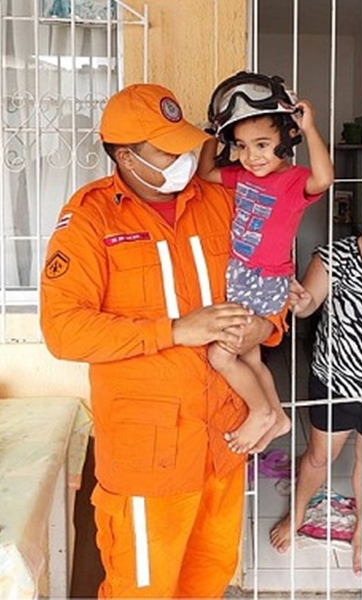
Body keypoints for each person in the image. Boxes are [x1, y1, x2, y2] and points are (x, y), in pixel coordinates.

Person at [40, 84, 287, 598]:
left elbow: (268, 280)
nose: (183, 158)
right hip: (147, 461)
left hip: (223, 441)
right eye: (167, 150)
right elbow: (63, 330)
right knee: (142, 589)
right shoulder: (89, 220)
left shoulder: (219, 200)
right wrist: (174, 330)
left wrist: (266, 325)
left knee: (209, 576)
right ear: (126, 157)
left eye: (185, 145)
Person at [267, 183, 362, 575]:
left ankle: (360, 537)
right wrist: (298, 299)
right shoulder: (335, 256)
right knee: (320, 456)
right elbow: (307, 307)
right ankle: (297, 515)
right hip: (337, 380)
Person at [199, 71, 334, 453]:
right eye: (242, 146)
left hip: (266, 281)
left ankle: (260, 412)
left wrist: (310, 129)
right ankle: (278, 416)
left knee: (220, 354)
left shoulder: (293, 181)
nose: (252, 156)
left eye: (262, 144)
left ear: (284, 141)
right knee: (251, 357)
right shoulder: (241, 174)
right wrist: (214, 134)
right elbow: (207, 172)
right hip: (241, 278)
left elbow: (324, 179)